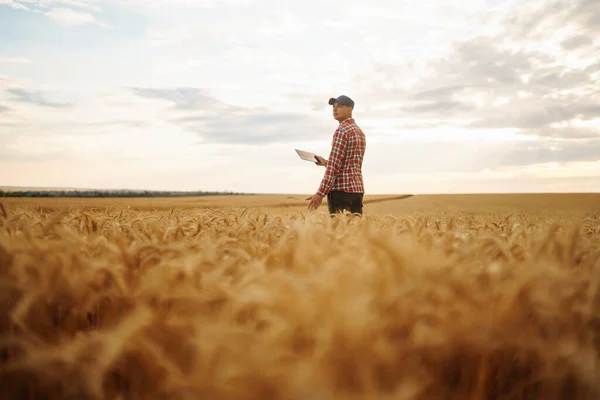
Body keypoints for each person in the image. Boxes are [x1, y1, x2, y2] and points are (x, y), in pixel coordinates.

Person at [306, 95, 366, 216]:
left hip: (341, 192)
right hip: (356, 191)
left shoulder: (342, 131)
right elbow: (349, 162)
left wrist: (320, 193)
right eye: (333, 107)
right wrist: (325, 163)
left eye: (339, 106)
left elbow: (333, 167)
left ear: (350, 109)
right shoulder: (359, 132)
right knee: (355, 233)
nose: (334, 109)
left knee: (339, 231)